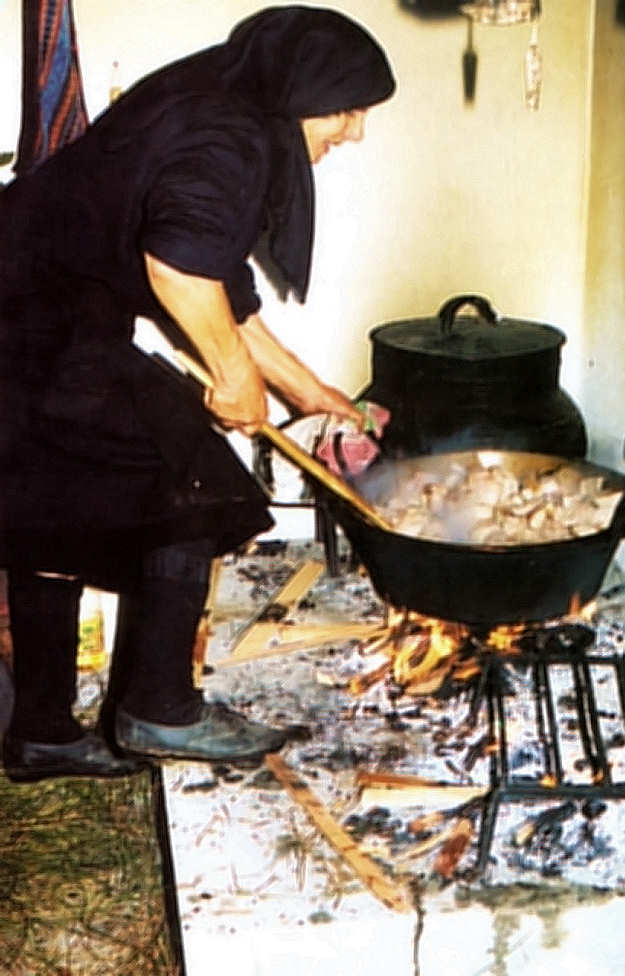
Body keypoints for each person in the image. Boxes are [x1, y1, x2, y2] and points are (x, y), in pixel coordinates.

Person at [0, 5, 396, 781]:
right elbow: (178, 270)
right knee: (194, 479)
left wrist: (306, 389)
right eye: (346, 111)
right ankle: (161, 709)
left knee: (52, 512)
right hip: (35, 327)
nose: (354, 132)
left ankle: (43, 734)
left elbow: (215, 282)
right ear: (303, 93)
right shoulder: (231, 136)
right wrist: (234, 380)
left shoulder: (222, 93)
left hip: (35, 315)